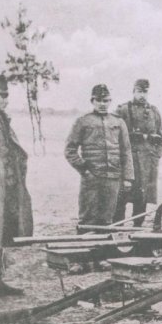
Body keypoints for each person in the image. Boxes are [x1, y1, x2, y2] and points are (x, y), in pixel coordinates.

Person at [65, 84, 134, 230]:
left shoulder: (118, 122)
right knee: (87, 218)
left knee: (108, 219)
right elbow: (70, 150)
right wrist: (84, 169)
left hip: (113, 177)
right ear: (92, 101)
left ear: (110, 101)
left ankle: (105, 244)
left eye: (106, 100)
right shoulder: (83, 121)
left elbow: (126, 151)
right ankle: (84, 244)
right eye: (99, 100)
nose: (103, 104)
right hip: (92, 177)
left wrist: (128, 177)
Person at [0, 75, 33, 296]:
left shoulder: (2, 119)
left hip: (4, 186)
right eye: (1, 96)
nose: (5, 100)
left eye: (6, 96)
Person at [113, 79, 162, 226]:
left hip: (146, 165)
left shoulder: (154, 112)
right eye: (139, 91)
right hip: (127, 163)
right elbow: (113, 136)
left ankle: (137, 229)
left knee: (141, 199)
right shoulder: (123, 110)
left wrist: (155, 156)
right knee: (121, 197)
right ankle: (117, 229)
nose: (142, 95)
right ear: (133, 91)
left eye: (145, 92)